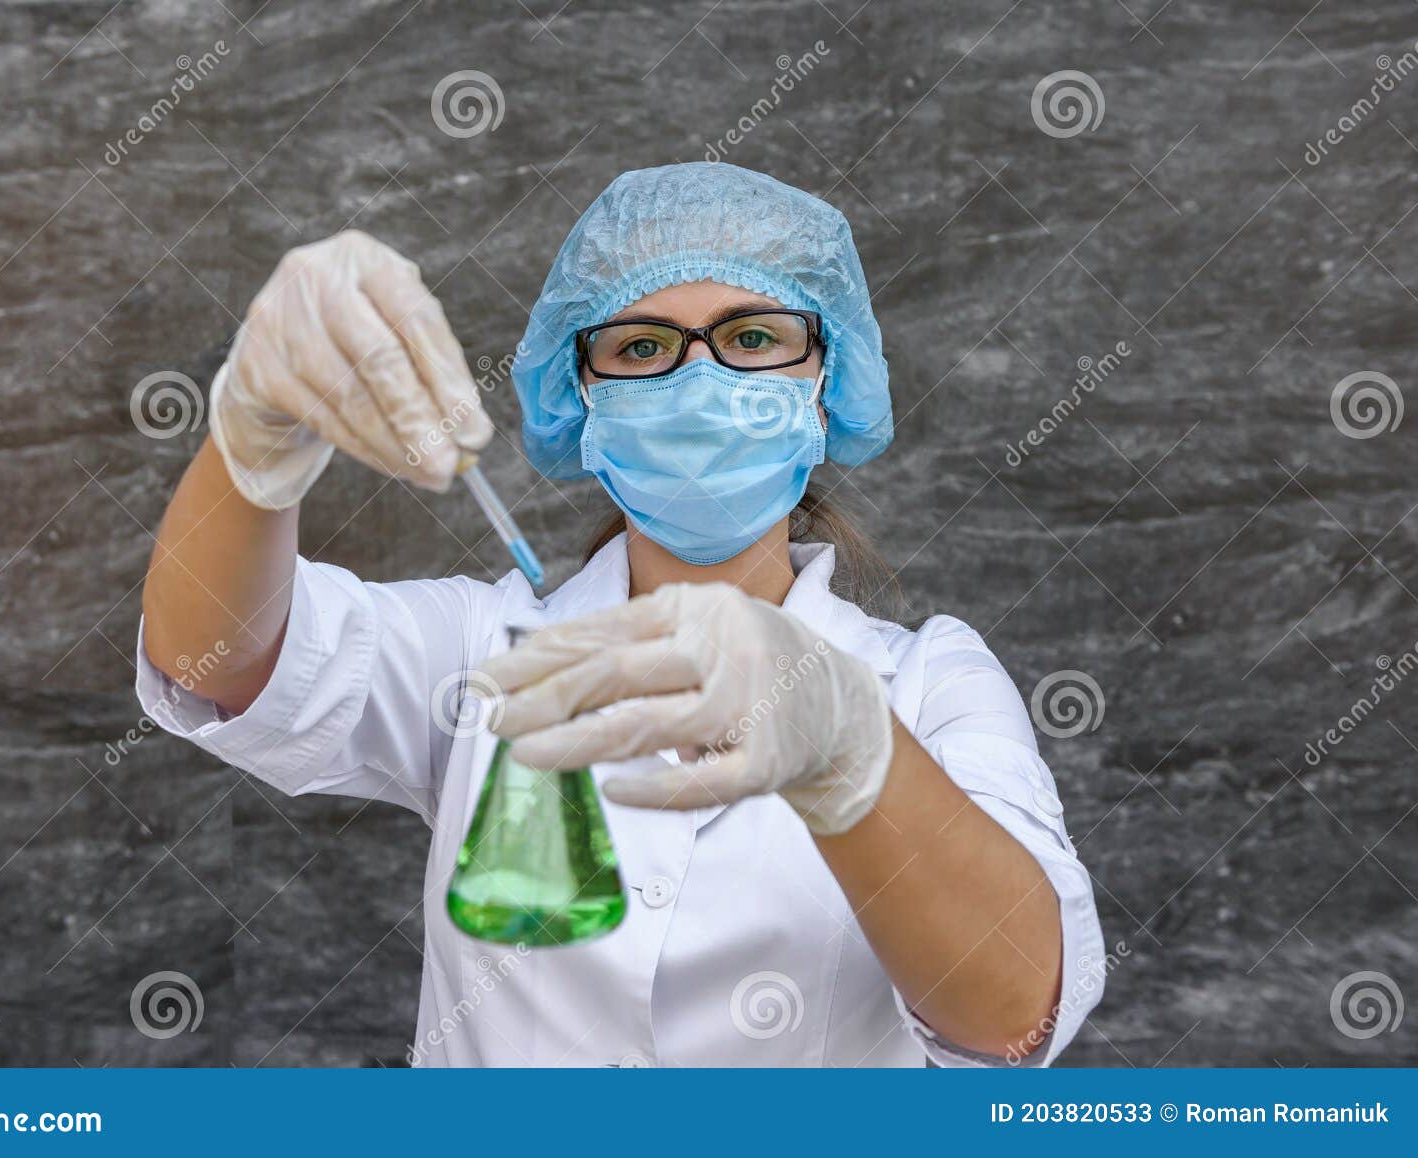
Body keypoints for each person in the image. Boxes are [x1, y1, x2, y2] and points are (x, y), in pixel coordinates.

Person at [137, 162, 1105, 1067]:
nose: (698, 379)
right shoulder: (488, 648)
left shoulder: (927, 681)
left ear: (824, 382)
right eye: (640, 346)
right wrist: (252, 433)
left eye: (753, 337)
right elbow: (213, 660)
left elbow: (1011, 1015)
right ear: (582, 394)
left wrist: (850, 751)